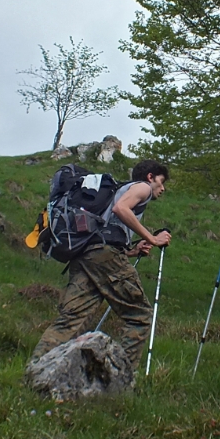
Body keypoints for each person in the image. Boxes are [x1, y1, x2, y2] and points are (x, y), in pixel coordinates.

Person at [30, 159, 171, 371]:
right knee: (139, 315)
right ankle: (123, 379)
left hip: (85, 253)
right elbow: (120, 209)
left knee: (71, 319)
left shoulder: (120, 189)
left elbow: (106, 230)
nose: (163, 188)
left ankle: (36, 369)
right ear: (150, 177)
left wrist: (132, 251)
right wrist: (153, 239)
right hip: (103, 254)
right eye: (161, 182)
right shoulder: (142, 187)